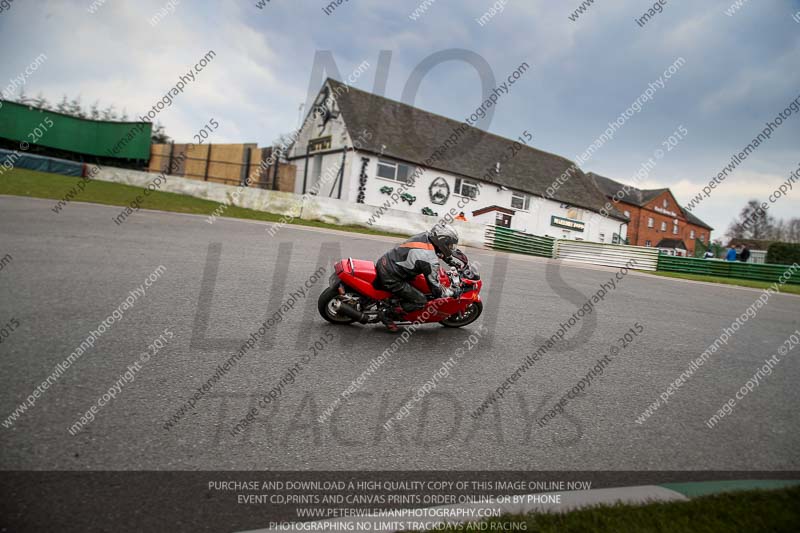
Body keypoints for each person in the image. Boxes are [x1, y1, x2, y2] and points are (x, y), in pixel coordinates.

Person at [374, 223, 460, 331]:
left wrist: (449, 260)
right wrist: (452, 292)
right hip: (392, 277)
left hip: (386, 261)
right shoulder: (430, 261)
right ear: (442, 242)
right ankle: (387, 314)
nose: (451, 248)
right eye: (450, 245)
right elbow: (436, 289)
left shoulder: (425, 236)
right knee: (420, 301)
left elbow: (433, 252)